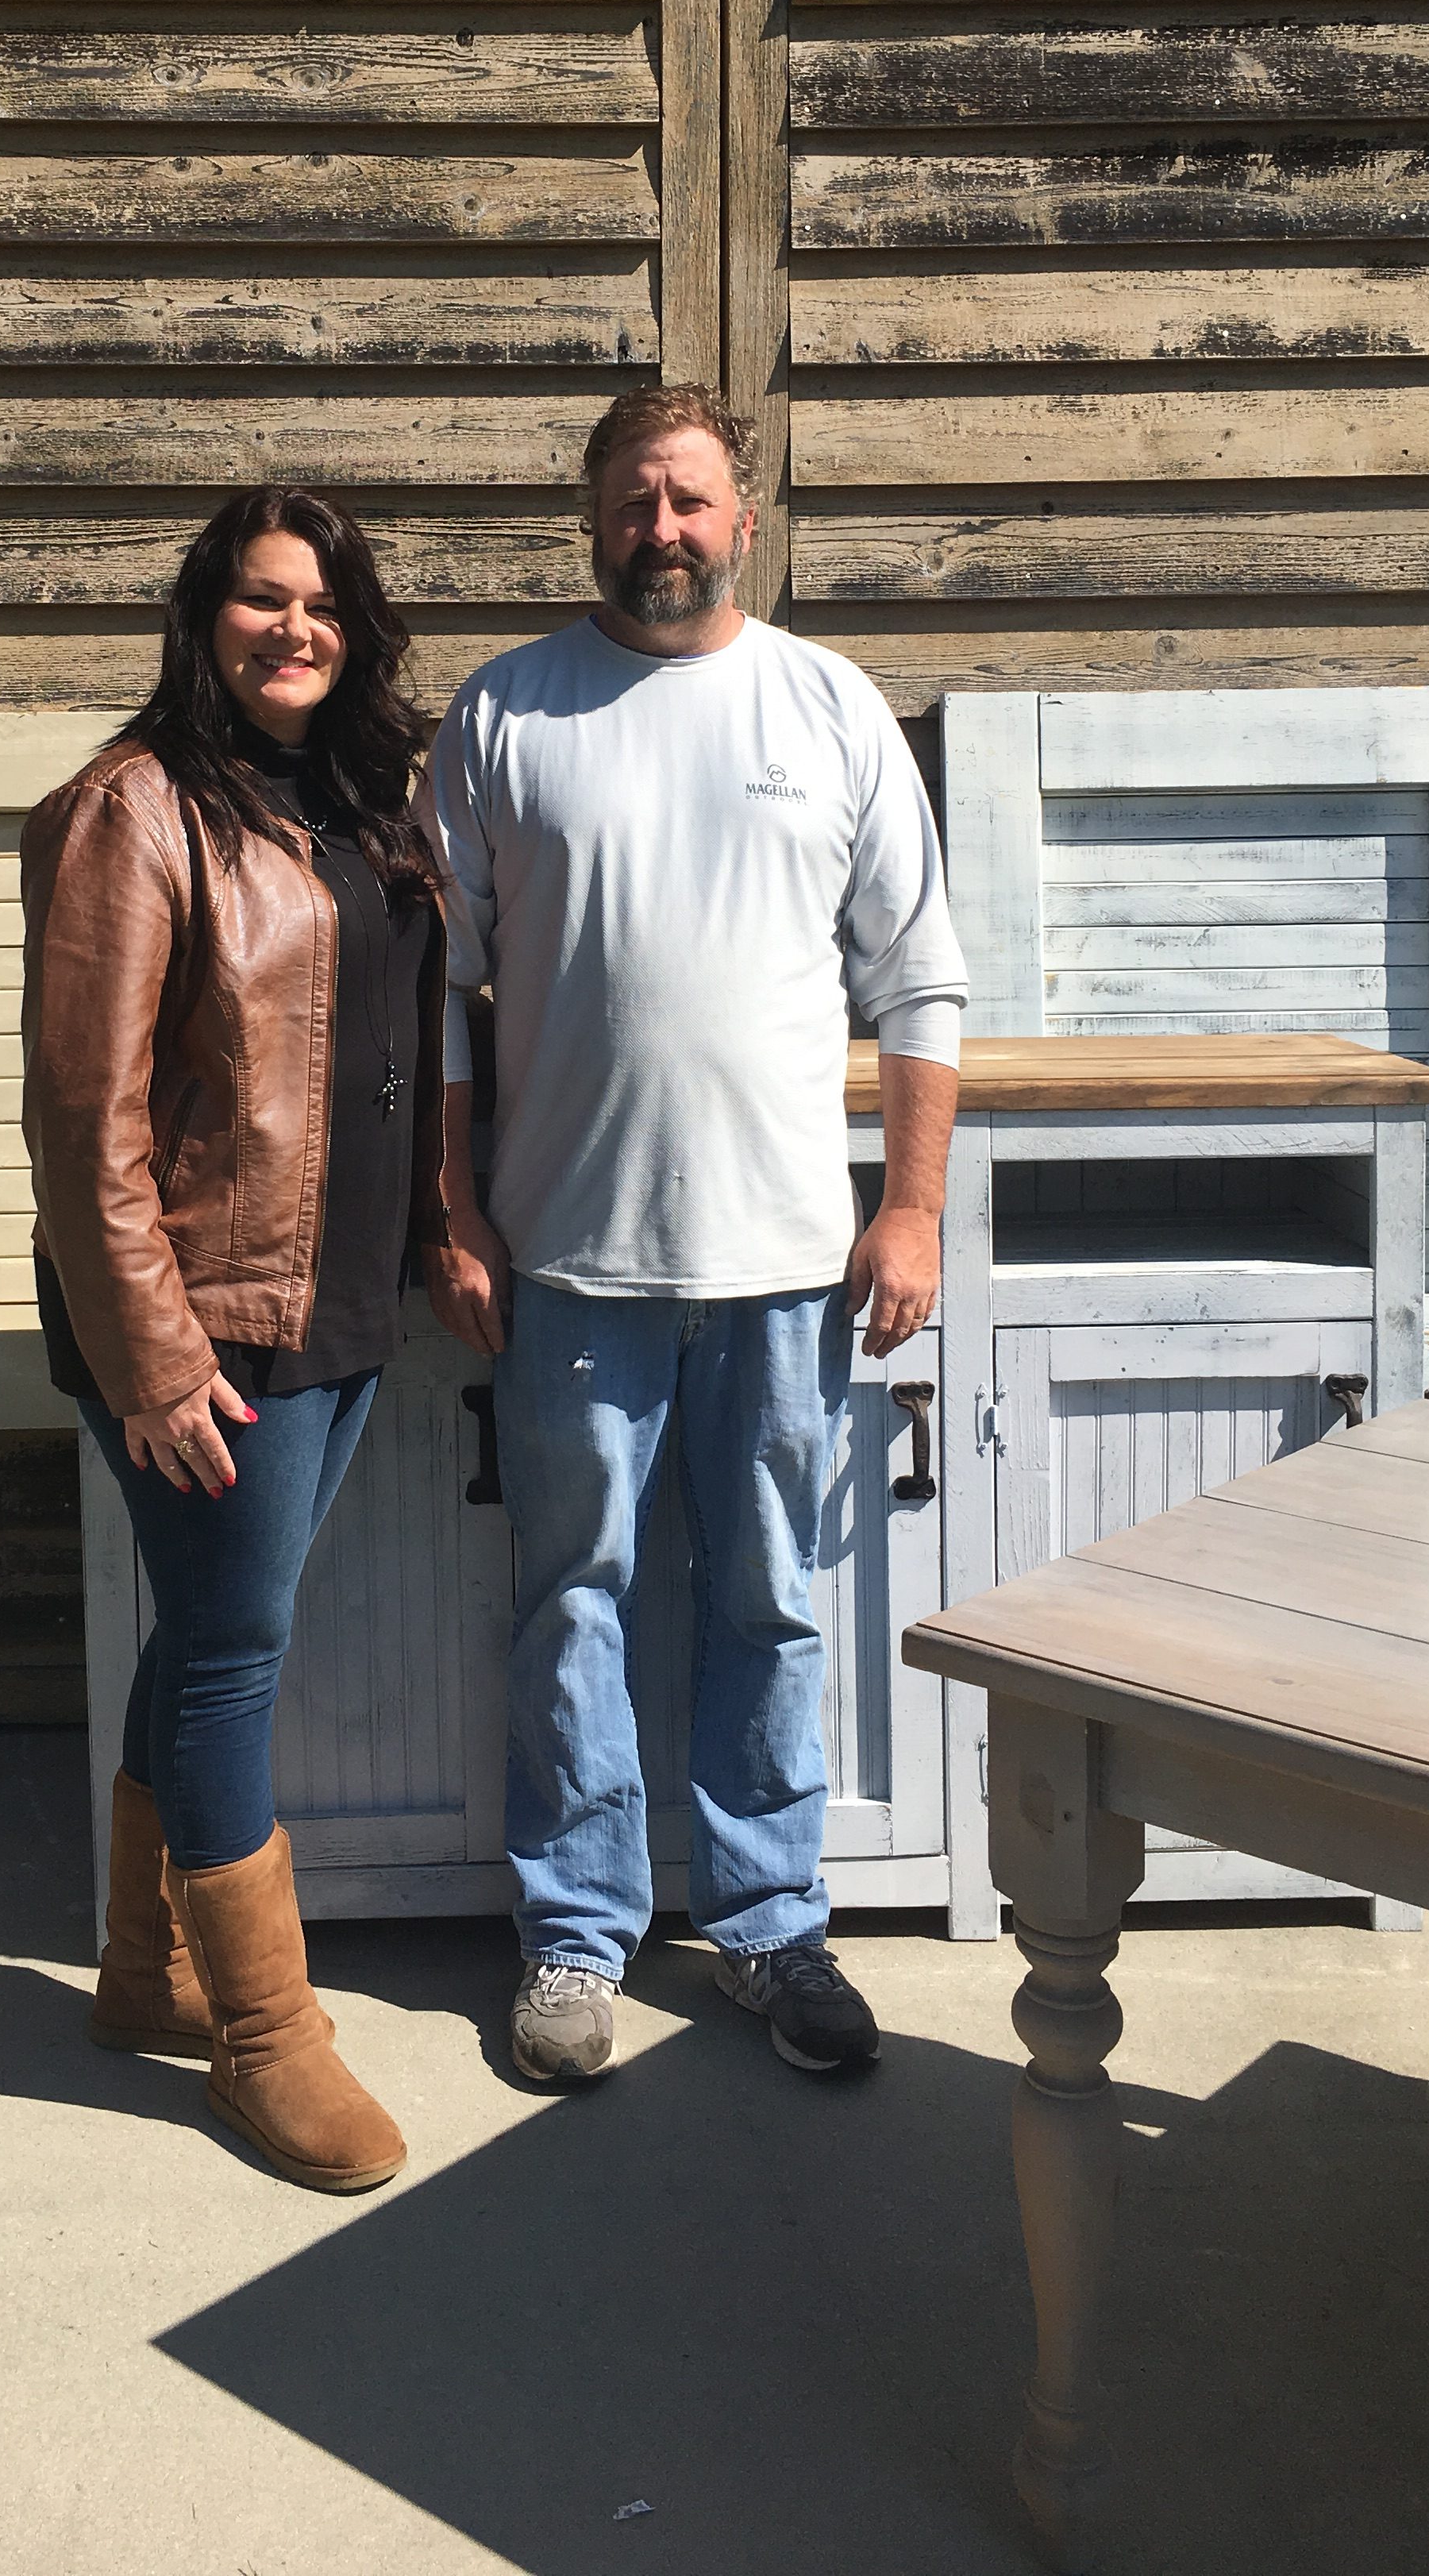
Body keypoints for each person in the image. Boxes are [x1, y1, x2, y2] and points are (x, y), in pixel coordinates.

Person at [418, 385, 968, 2087]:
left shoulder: (829, 705)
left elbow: (920, 982)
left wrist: (917, 1207)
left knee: (767, 1601)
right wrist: (452, 1208)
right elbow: (440, 1001)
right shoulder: (508, 712)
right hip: (570, 1258)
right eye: (633, 501)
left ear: (747, 516)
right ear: (591, 518)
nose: (663, 529)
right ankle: (576, 1940)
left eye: (691, 500)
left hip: (789, 1265)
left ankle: (767, 1920)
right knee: (570, 1596)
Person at [21, 485, 447, 2191]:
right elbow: (81, 1115)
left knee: (206, 1626)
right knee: (230, 1658)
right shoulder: (135, 810)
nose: (297, 630)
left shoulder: (346, 800)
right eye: (263, 600)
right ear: (207, 619)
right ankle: (262, 2034)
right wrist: (154, 1353)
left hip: (331, 1296)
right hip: (209, 1319)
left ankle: (142, 1972)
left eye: (325, 603)